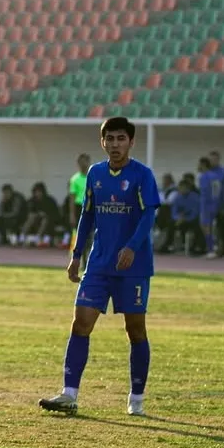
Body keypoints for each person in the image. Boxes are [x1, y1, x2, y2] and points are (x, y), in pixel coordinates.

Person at [39, 117, 160, 417]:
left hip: (133, 266)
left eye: (121, 138)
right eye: (110, 139)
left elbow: (149, 216)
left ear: (131, 142)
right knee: (80, 323)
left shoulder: (142, 175)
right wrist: (76, 254)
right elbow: (88, 216)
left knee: (135, 330)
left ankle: (136, 398)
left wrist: (131, 247)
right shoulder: (95, 173)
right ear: (102, 142)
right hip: (99, 264)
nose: (115, 144)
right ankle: (69, 394)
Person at [21, 182, 64, 246]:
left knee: (45, 219)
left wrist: (44, 214)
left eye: (39, 192)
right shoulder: (31, 201)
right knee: (31, 217)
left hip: (49, 221)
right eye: (36, 192)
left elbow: (55, 214)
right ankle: (22, 236)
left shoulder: (50, 201)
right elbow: (27, 212)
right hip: (35, 221)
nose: (37, 194)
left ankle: (37, 237)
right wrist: (37, 214)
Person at [171, 175, 204, 254]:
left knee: (197, 224)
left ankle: (197, 247)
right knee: (170, 223)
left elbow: (195, 213)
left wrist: (185, 219)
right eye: (180, 188)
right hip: (180, 219)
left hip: (191, 219)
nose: (181, 190)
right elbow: (174, 211)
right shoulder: (177, 197)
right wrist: (177, 218)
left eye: (183, 188)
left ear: (188, 188)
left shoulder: (195, 197)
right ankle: (169, 245)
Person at [208, 150, 224, 256]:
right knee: (207, 226)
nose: (212, 161)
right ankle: (210, 248)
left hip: (219, 203)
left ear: (218, 160)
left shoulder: (222, 171)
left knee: (221, 227)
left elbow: (218, 183)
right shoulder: (206, 171)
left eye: (214, 159)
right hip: (208, 203)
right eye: (211, 159)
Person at [197, 157, 220, 259]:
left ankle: (212, 249)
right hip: (205, 204)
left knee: (207, 227)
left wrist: (214, 202)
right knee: (205, 226)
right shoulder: (203, 176)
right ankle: (211, 247)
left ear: (203, 164)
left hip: (208, 204)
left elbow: (216, 190)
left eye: (199, 164)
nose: (197, 166)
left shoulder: (211, 176)